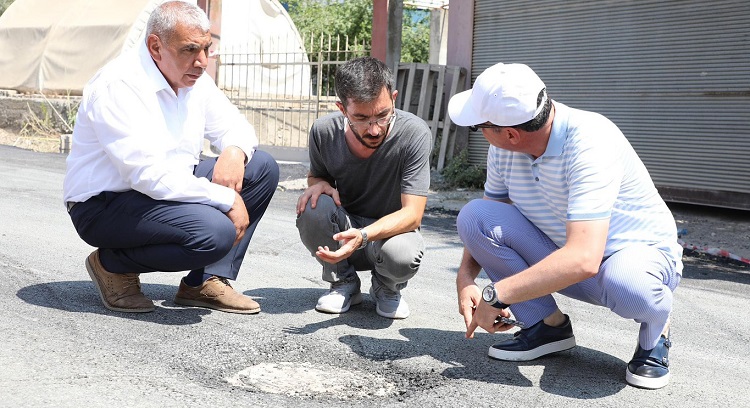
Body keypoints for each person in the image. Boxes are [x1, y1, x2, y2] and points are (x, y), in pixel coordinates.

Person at [447, 63, 683, 389]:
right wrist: (465, 277)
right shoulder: (503, 151)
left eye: (479, 127)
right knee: (474, 216)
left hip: (634, 263)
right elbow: (490, 217)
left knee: (630, 284)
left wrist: (496, 294)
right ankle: (547, 327)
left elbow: (584, 258)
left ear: (511, 133)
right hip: (567, 259)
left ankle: (656, 330)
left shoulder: (590, 141)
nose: (480, 133)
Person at [62, 1, 278, 314]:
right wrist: (224, 198)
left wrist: (233, 151)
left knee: (261, 167)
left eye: (206, 48)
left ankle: (204, 281)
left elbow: (237, 127)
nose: (202, 61)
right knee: (214, 232)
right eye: (190, 50)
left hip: (164, 190)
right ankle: (112, 265)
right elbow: (147, 175)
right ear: (155, 46)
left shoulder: (193, 79)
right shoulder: (118, 85)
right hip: (105, 205)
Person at [295, 57, 431, 319]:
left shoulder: (414, 133)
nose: (375, 129)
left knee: (403, 255)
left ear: (393, 98)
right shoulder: (324, 131)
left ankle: (387, 288)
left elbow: (413, 214)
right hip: (344, 235)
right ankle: (343, 283)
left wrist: (364, 235)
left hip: (390, 235)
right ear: (342, 109)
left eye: (383, 115)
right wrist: (318, 185)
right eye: (361, 118)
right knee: (312, 205)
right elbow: (318, 177)